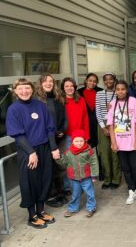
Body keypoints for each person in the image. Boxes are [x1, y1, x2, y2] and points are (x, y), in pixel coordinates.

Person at [6, 78, 60, 229]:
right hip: (27, 151)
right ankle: (32, 216)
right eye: (20, 89)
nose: (24, 91)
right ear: (15, 91)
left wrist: (54, 148)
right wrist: (31, 152)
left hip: (44, 148)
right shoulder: (14, 109)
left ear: (32, 89)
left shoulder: (40, 106)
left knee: (45, 179)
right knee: (30, 183)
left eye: (27, 88)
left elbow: (50, 128)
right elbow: (17, 134)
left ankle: (41, 211)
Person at [108, 80, 136, 205]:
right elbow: (111, 125)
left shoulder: (133, 101)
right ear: (115, 90)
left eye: (122, 89)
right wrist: (113, 143)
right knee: (126, 168)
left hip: (133, 141)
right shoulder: (112, 104)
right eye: (117, 89)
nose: (120, 91)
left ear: (127, 90)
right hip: (120, 143)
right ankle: (131, 190)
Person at [35, 74, 68, 208]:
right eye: (45, 81)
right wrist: (53, 133)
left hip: (59, 137)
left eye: (51, 81)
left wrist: (62, 130)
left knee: (59, 166)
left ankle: (60, 192)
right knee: (48, 168)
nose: (49, 83)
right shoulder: (37, 101)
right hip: (45, 139)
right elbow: (40, 123)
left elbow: (64, 117)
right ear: (40, 84)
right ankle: (51, 194)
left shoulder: (57, 98)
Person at [57, 129, 99, 218]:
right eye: (76, 141)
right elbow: (64, 162)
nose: (79, 143)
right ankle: (73, 209)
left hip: (86, 177)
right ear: (72, 142)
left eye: (81, 141)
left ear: (85, 141)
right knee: (75, 194)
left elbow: (94, 163)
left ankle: (91, 208)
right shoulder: (68, 152)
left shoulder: (89, 151)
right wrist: (59, 158)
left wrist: (94, 174)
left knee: (90, 193)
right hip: (74, 178)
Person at [95, 72, 121, 190]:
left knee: (115, 152)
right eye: (106, 80)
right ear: (103, 81)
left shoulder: (119, 92)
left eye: (111, 79)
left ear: (114, 80)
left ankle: (116, 178)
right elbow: (98, 112)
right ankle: (107, 179)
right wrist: (104, 127)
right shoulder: (99, 94)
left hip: (117, 124)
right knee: (104, 153)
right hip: (103, 125)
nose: (108, 81)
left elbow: (121, 110)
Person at [78, 73, 102, 148]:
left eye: (94, 81)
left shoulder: (100, 91)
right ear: (86, 81)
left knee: (98, 144)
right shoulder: (79, 92)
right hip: (85, 123)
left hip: (98, 123)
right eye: (90, 80)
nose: (92, 83)